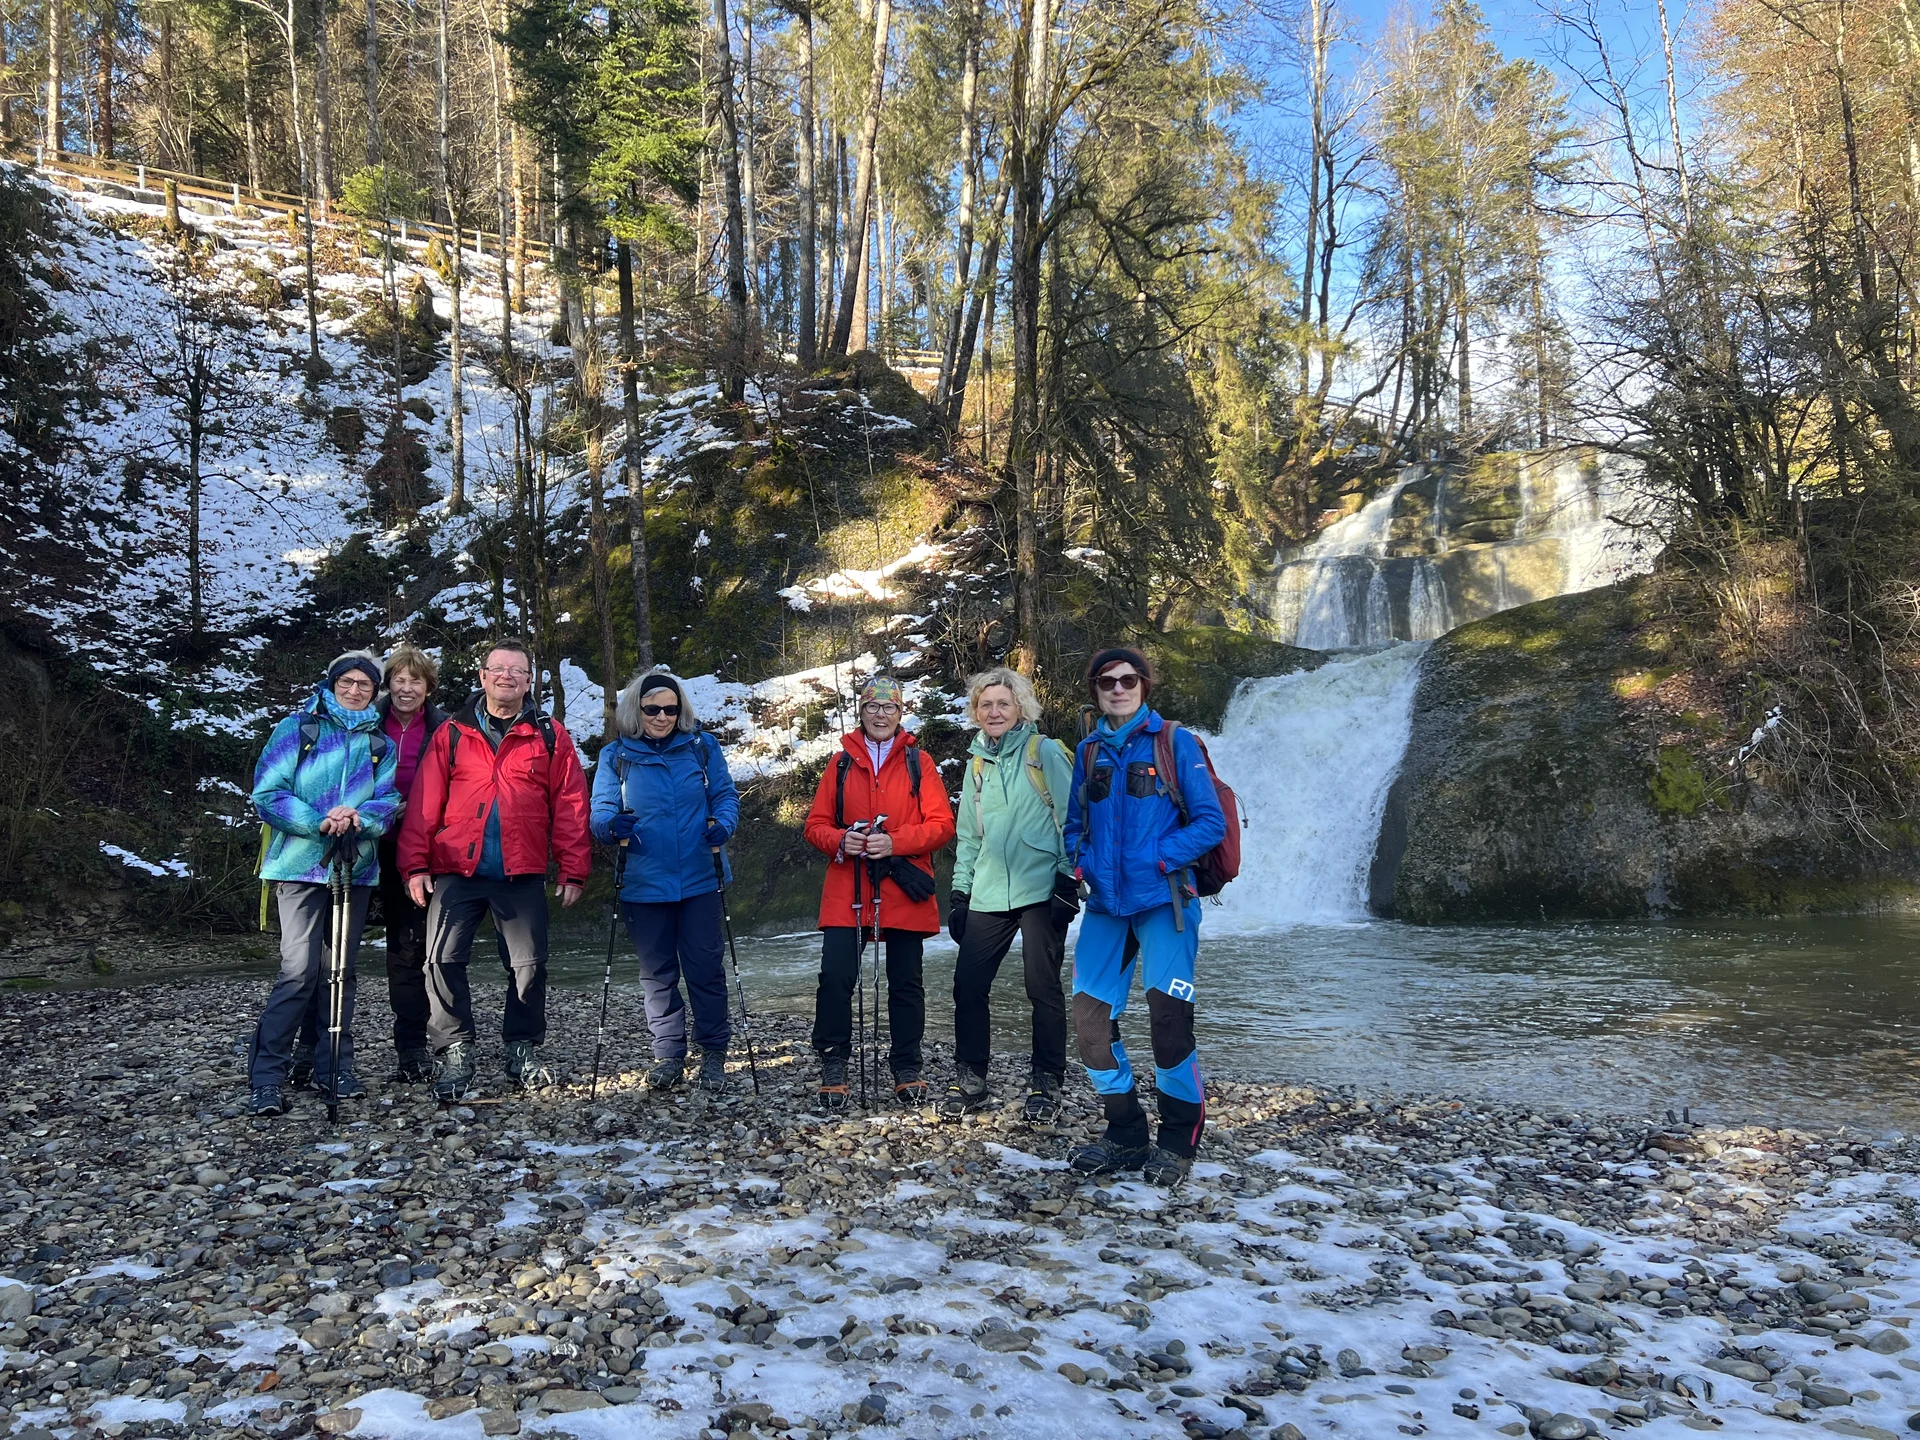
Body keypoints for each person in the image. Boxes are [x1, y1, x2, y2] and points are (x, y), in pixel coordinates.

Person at [396, 638, 592, 1101]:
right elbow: (425, 803)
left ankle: (520, 1047)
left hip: (520, 869)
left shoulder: (550, 734)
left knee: (528, 966)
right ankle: (455, 1050)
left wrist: (573, 868)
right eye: (497, 669)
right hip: (454, 869)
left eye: (516, 671)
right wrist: (415, 865)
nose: (506, 676)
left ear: (528, 681)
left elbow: (570, 804)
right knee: (440, 961)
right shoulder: (451, 733)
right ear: (482, 677)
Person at [1062, 646, 1225, 1186]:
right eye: (1106, 681)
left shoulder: (1175, 742)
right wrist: (1083, 864)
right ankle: (1126, 1132)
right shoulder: (1087, 752)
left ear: (1144, 684)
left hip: (1164, 902)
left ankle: (1178, 1141)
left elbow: (1210, 823)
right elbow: (1073, 828)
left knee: (1169, 1021)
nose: (1117, 688)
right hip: (1106, 906)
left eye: (1128, 679)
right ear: (1095, 690)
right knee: (1088, 1023)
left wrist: (1157, 858)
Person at [246, 650, 401, 1116]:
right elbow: (267, 793)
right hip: (298, 867)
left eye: (365, 685)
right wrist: (319, 823)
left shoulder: (380, 743)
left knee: (341, 973)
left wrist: (359, 817)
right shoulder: (298, 729)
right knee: (299, 972)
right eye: (347, 682)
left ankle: (332, 1065)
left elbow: (389, 800)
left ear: (376, 692)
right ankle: (266, 1077)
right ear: (332, 683)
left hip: (354, 868)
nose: (355, 690)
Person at [802, 677, 955, 1109]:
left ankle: (907, 1066)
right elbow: (815, 826)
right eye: (873, 707)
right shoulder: (839, 764)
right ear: (862, 712)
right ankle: (833, 1062)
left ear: (900, 713)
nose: (881, 714)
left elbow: (942, 826)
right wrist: (840, 841)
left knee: (906, 981)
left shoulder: (918, 762)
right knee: (835, 976)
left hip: (903, 883)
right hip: (847, 885)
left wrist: (896, 842)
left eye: (890, 708)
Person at [589, 671, 741, 1093]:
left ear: (681, 711)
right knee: (657, 975)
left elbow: (725, 795)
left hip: (700, 877)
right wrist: (609, 824)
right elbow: (600, 808)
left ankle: (713, 1054)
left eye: (670, 709)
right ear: (636, 709)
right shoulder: (616, 756)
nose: (661, 716)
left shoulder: (701, 748)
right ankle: (669, 1055)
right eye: (652, 708)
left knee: (706, 969)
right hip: (643, 881)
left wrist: (724, 825)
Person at [942, 667, 1078, 1123]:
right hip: (988, 890)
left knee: (1041, 987)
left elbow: (1072, 819)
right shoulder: (977, 762)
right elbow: (969, 835)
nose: (994, 711)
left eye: (1003, 703)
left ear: (1021, 707)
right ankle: (972, 1078)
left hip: (1041, 887)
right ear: (976, 712)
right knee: (968, 985)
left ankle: (1046, 1081)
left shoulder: (1045, 753)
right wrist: (960, 891)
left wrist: (1066, 880)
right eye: (986, 704)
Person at [375, 643, 446, 1083]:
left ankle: (413, 1046)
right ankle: (317, 1048)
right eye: (399, 679)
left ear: (427, 687)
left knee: (410, 948)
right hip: (363, 848)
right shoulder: (366, 721)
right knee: (332, 950)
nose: (406, 688)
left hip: (418, 850)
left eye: (414, 681)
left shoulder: (443, 730)